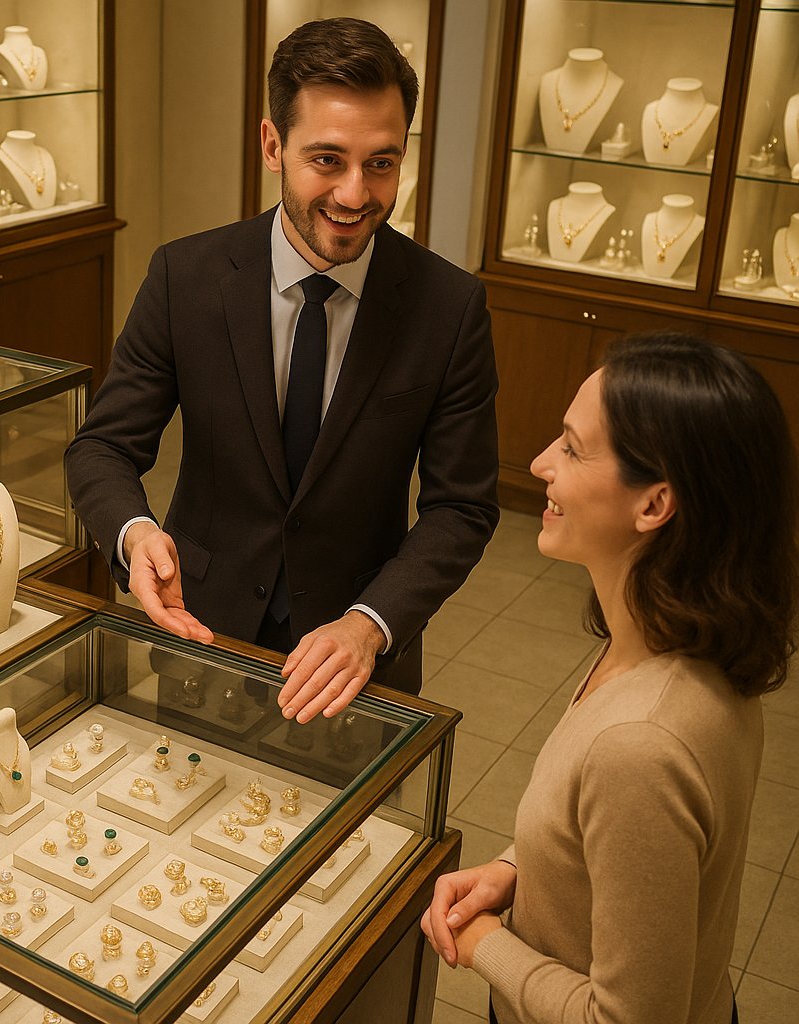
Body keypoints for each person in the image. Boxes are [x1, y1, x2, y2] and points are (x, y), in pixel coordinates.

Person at [65, 18, 499, 719]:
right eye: (327, 159)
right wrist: (134, 533)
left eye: (381, 163)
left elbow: (462, 506)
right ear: (273, 145)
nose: (355, 195)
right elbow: (103, 447)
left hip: (357, 667)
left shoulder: (449, 307)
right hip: (201, 633)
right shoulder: (184, 277)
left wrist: (371, 624)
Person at [421, 332, 798, 1024]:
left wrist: (485, 946)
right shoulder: (681, 649)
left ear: (654, 504)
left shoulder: (640, 745)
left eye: (571, 448)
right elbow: (616, 848)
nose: (541, 463)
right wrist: (515, 871)